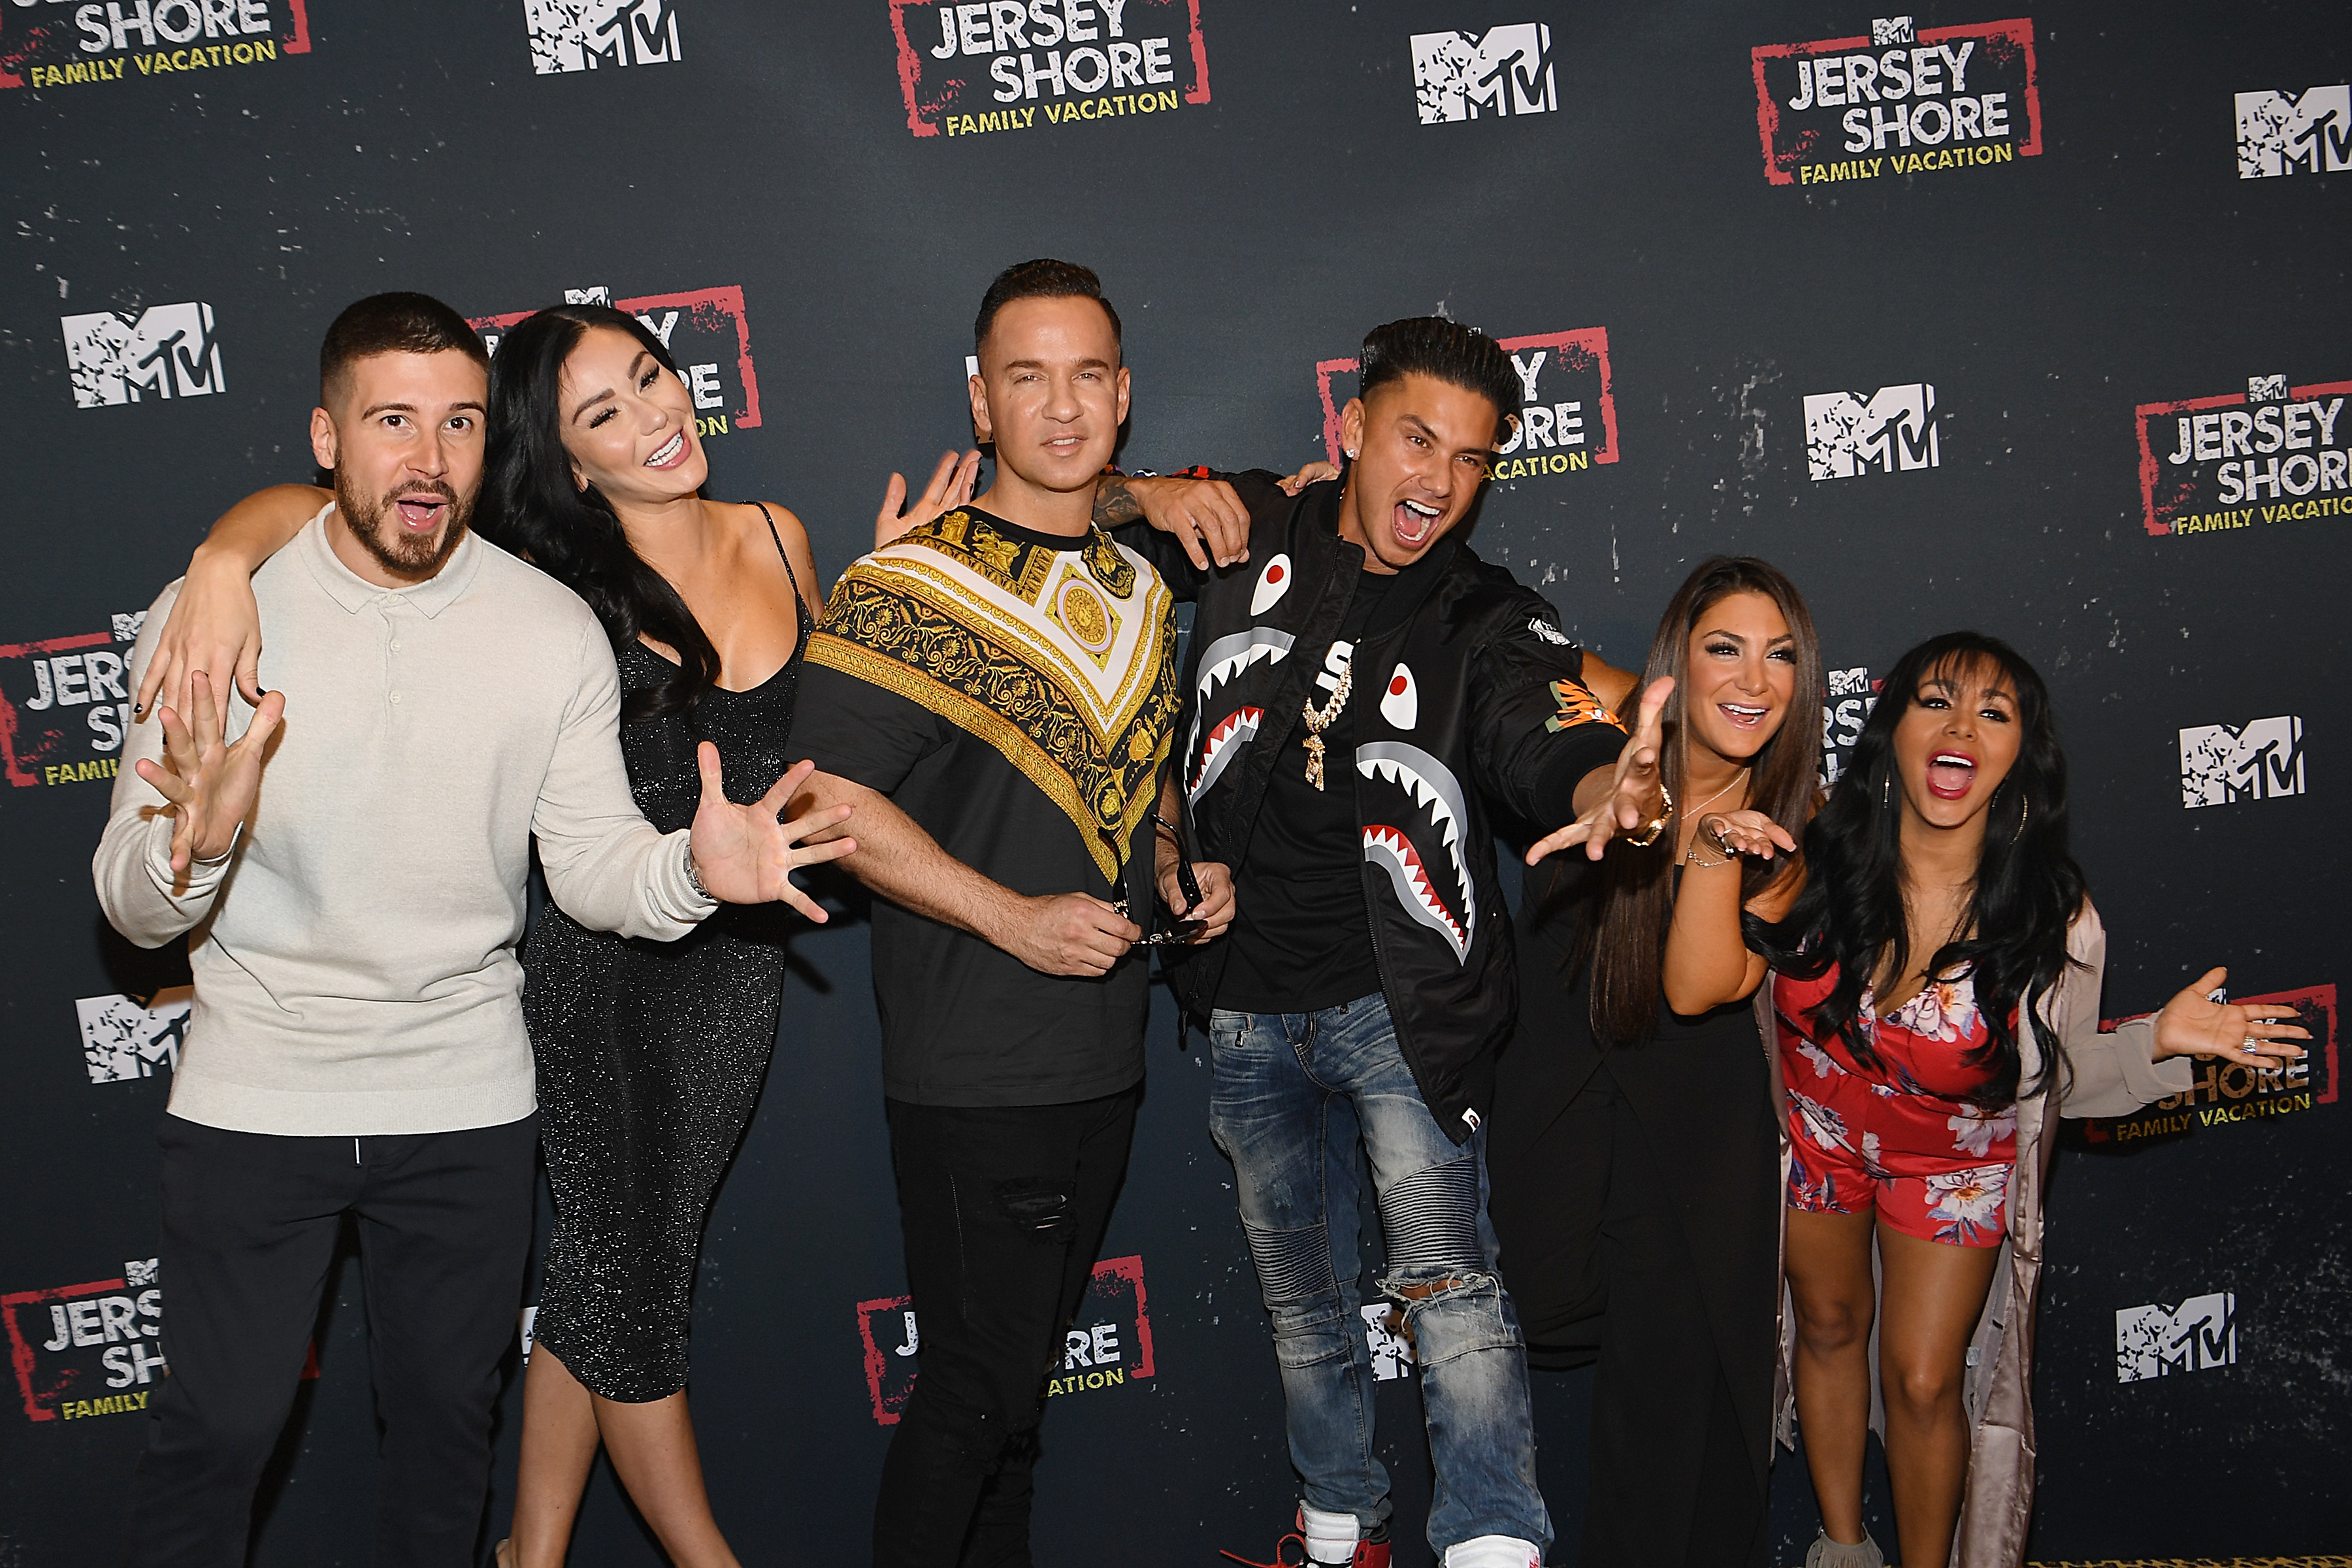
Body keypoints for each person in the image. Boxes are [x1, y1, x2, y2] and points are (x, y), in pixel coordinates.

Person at [132, 305, 979, 1568]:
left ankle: (529, 1553)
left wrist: (892, 595)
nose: (653, 415)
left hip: (722, 969)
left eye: (651, 377)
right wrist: (216, 557)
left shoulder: (753, 547)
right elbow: (323, 517)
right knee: (620, 1298)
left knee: (577, 1311)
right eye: (603, 413)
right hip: (595, 989)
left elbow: (795, 747)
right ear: (567, 463)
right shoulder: (553, 582)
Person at [1095, 317, 1662, 1568]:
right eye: (1416, 439)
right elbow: (1077, 503)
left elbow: (1541, 720)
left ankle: (1492, 1546)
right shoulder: (1248, 523)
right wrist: (1152, 490)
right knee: (1302, 1300)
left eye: (1470, 459)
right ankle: (1342, 1527)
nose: (1439, 482)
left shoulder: (1485, 613)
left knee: (1451, 1289)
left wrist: (1597, 791)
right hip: (1239, 1001)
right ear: (1349, 429)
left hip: (1400, 1014)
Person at [1675, 631, 2310, 1568]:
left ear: (2021, 757)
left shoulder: (2054, 918)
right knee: (1828, 1326)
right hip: (1817, 1142)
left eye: (1995, 712)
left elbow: (2055, 1090)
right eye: (1935, 700)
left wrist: (2157, 1044)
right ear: (1892, 730)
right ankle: (1843, 1547)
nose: (1961, 725)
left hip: (1952, 1169)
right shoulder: (1811, 852)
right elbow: (1712, 987)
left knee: (1928, 1382)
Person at [783, 259, 1204, 1567]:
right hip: (976, 1071)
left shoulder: (1141, 586)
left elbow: (1140, 778)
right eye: (1028, 376)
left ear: (1124, 395)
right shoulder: (903, 588)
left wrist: (1183, 870)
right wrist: (1013, 918)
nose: (1062, 407)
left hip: (1101, 1061)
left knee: (1010, 1415)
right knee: (972, 1398)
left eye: (1087, 375)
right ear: (982, 400)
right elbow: (825, 805)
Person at [1486, 557, 1817, 1567]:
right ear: (1680, 656)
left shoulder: (1785, 835)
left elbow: (1688, 989)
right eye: (1726, 647)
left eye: (1782, 657)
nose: (1754, 680)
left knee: (1682, 1430)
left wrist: (1712, 846)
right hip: (1558, 1085)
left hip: (1695, 1134)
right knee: (1542, 1301)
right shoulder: (1627, 720)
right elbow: (1508, 648)